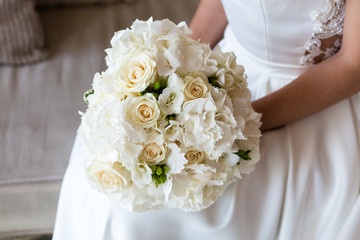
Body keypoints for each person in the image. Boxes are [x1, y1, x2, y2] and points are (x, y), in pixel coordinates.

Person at [53, 0, 360, 239]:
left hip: (312, 98)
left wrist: (240, 120)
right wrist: (174, 65)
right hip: (229, 68)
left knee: (152, 215)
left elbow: (352, 65)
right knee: (99, 176)